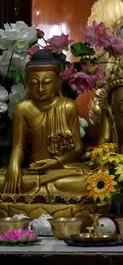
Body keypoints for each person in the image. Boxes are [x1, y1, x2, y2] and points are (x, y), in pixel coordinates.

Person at [1, 49, 88, 197]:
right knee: (5, 180)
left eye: (47, 82)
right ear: (28, 83)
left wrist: (55, 163)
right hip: (33, 171)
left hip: (62, 170)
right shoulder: (22, 109)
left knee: (86, 182)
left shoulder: (68, 106)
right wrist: (14, 166)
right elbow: (19, 145)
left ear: (57, 82)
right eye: (34, 83)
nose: (41, 89)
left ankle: (38, 192)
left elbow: (77, 148)